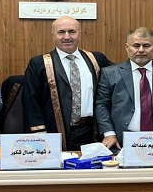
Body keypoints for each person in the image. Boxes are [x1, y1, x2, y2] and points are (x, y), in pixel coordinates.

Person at [23, 16, 112, 150]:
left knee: (91, 169)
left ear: (80, 34)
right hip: (54, 131)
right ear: (53, 36)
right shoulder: (39, 64)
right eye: (61, 32)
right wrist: (40, 135)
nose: (67, 36)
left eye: (72, 31)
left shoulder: (96, 59)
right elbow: (31, 102)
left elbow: (115, 85)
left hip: (91, 131)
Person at [95, 27, 153, 149]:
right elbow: (101, 105)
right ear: (127, 47)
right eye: (136, 46)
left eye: (146, 45)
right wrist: (109, 133)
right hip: (122, 140)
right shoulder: (110, 74)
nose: (141, 50)